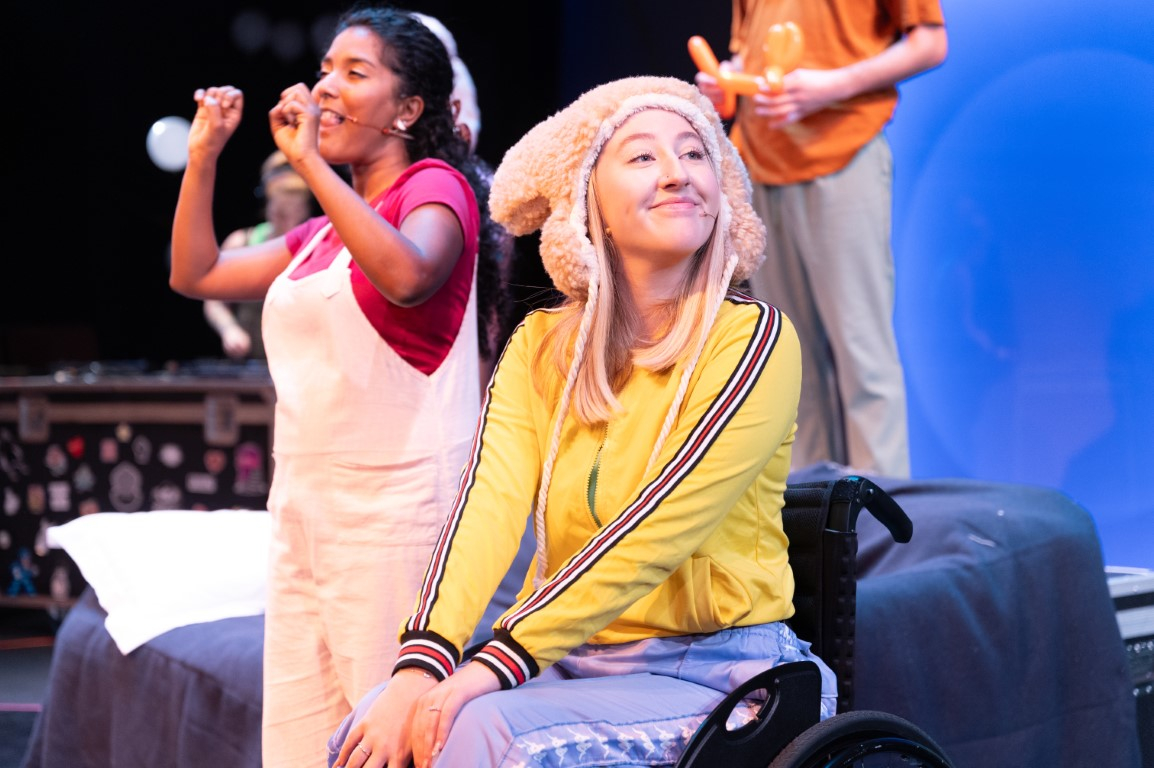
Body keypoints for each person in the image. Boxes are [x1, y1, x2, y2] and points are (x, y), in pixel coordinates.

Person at [329, 75, 837, 768]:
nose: (677, 175)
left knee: (478, 731)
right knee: (374, 730)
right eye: (642, 157)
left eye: (695, 155)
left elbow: (656, 528)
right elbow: (489, 506)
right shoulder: (539, 345)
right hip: (571, 657)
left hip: (722, 673)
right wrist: (423, 665)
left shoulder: (753, 339)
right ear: (585, 198)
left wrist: (493, 665)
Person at [168, 6, 509, 766]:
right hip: (303, 511)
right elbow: (197, 274)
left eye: (355, 73)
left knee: (391, 739)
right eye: (325, 69)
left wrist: (313, 166)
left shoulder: (437, 187)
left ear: (410, 108)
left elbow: (410, 274)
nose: (325, 87)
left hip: (395, 515)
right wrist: (204, 157)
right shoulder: (325, 229)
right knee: (297, 741)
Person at [695, 2, 948, 478]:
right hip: (759, 164)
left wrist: (830, 86)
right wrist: (727, 83)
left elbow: (930, 42)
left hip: (840, 153)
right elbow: (750, 51)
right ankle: (813, 522)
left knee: (861, 356)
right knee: (790, 361)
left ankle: (880, 526)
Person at [203, 150, 315, 359]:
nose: (286, 222)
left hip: (299, 363)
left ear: (305, 210)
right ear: (267, 204)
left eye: (294, 212)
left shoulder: (315, 246)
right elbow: (214, 302)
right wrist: (229, 329)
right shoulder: (241, 243)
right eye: (280, 213)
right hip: (248, 363)